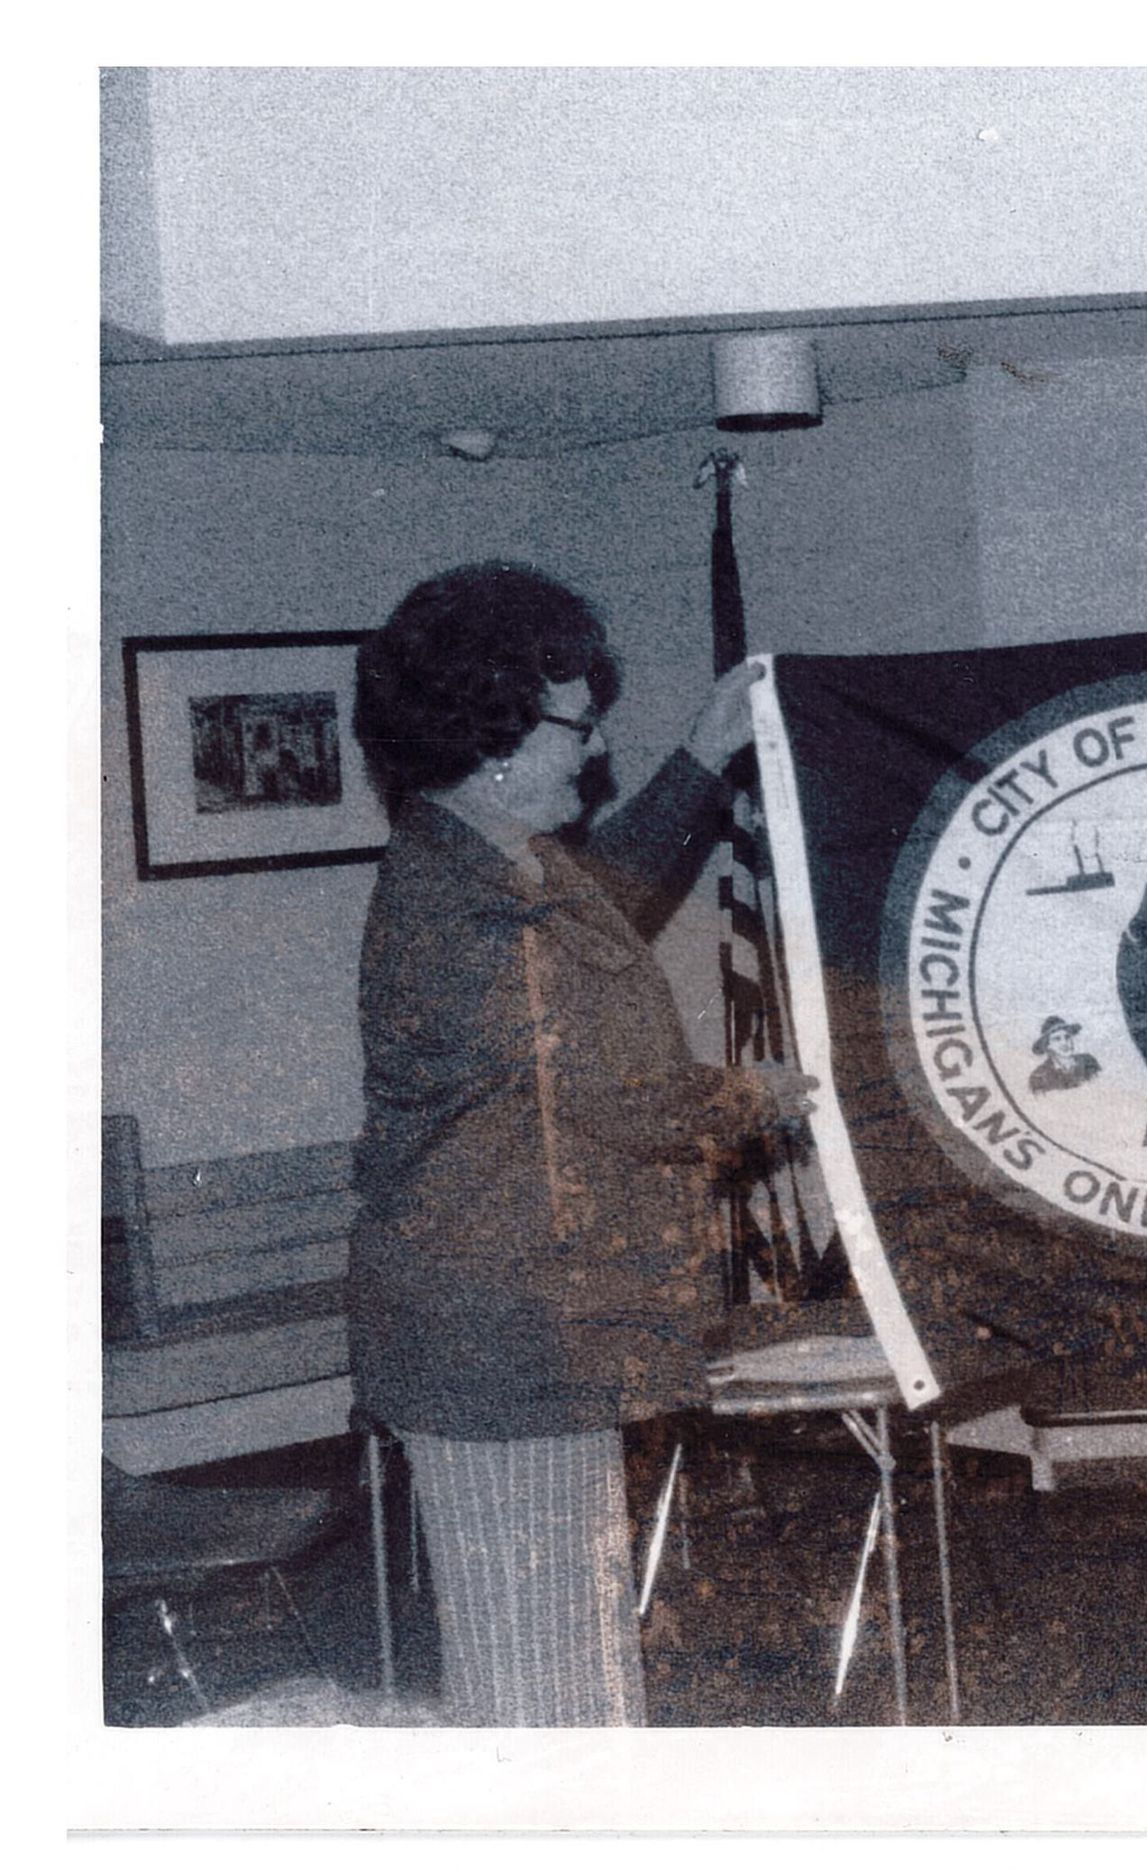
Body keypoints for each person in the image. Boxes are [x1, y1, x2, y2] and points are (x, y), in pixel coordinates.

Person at [347, 561, 814, 1726]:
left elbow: (606, 901)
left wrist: (705, 750)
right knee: (536, 1678)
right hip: (497, 1345)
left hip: (530, 1328)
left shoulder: (496, 856)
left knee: (571, 1659)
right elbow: (615, 1096)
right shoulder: (464, 907)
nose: (597, 746)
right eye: (576, 722)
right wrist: (771, 1093)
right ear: (493, 737)